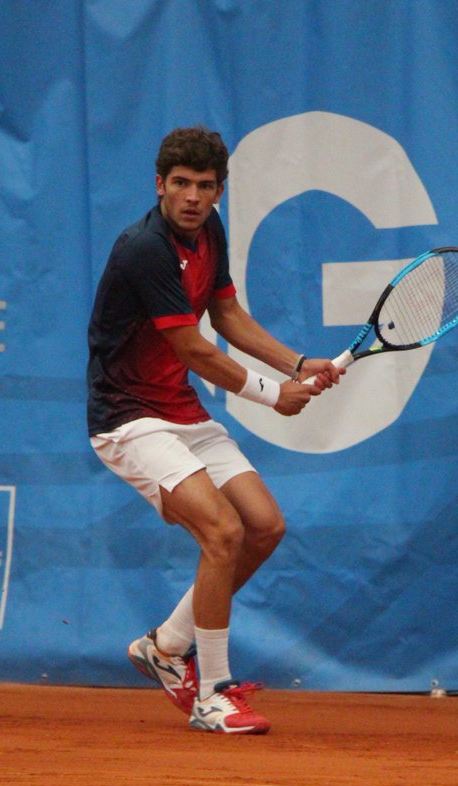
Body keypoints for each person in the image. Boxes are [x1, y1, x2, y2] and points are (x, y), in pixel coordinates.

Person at [86, 125, 342, 734]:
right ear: (160, 186)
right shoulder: (143, 249)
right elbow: (195, 348)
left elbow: (225, 312)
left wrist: (298, 363)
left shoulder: (209, 233)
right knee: (222, 530)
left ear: (219, 191)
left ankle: (166, 646)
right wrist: (270, 394)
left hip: (179, 408)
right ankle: (213, 694)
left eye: (205, 187)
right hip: (128, 418)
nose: (193, 197)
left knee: (263, 525)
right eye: (181, 185)